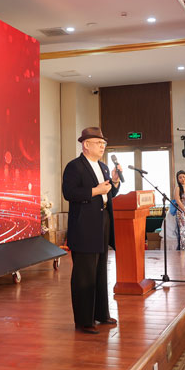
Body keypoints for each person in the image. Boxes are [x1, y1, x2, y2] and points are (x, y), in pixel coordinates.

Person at [62, 127, 120, 334]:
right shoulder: (74, 166)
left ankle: (101, 314)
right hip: (84, 225)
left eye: (104, 143)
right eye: (99, 143)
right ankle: (84, 321)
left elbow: (108, 194)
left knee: (100, 270)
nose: (103, 146)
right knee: (84, 273)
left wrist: (114, 182)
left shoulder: (103, 167)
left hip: (102, 221)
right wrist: (95, 190)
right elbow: (69, 193)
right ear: (86, 144)